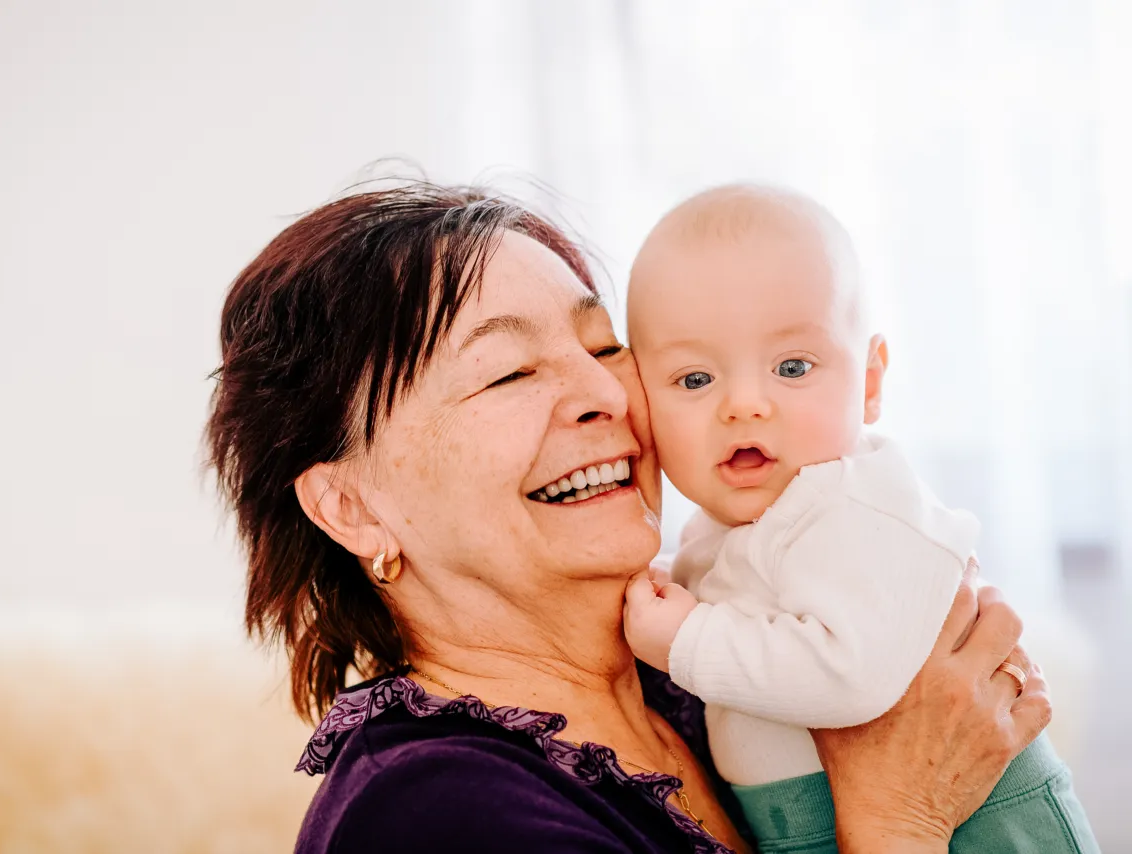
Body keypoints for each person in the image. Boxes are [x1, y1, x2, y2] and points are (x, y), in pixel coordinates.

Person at [206, 182, 1053, 854]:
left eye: (605, 347)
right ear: (352, 508)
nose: (606, 394)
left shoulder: (709, 659)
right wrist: (900, 819)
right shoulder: (429, 814)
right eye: (509, 372)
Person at [622, 183, 1098, 852]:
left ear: (870, 384)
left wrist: (685, 640)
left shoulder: (856, 505)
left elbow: (852, 678)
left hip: (981, 822)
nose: (745, 404)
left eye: (793, 367)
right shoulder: (731, 526)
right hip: (819, 817)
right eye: (695, 379)